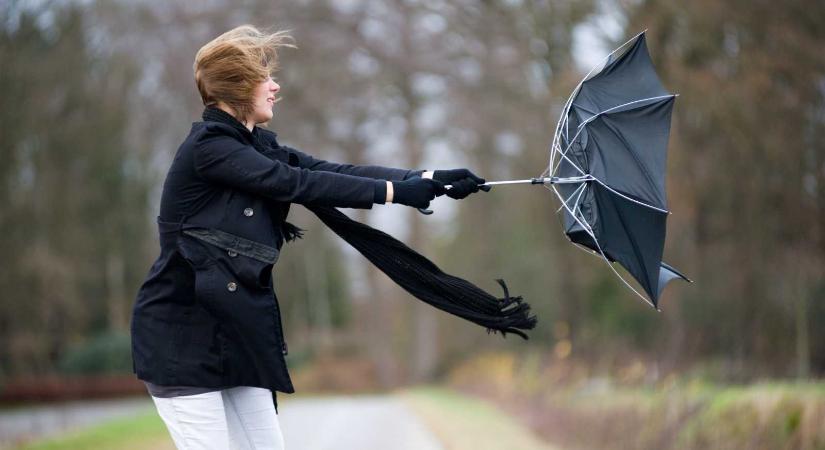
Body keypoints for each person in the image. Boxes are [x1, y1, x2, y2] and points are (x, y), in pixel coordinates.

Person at [129, 24, 487, 450]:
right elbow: (294, 183)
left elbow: (328, 171)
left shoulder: (252, 145)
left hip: (236, 336)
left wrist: (426, 178)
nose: (275, 86)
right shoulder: (210, 148)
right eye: (265, 77)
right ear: (240, 86)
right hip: (182, 342)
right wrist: (395, 192)